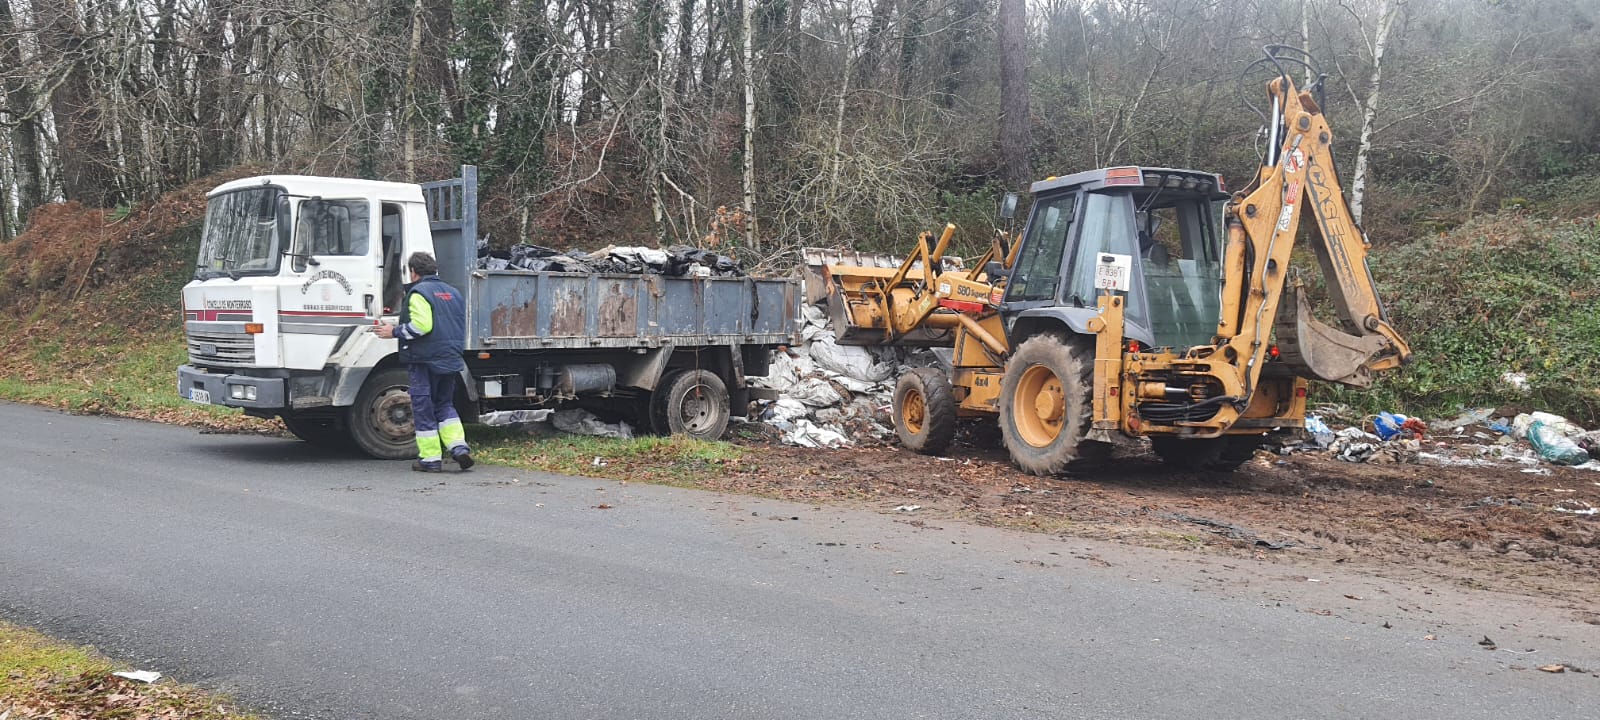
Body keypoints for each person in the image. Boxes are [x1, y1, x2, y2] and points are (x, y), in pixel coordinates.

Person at [376, 252, 474, 472]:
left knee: (423, 408)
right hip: (450, 358)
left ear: (413, 272)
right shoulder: (453, 293)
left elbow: (422, 326)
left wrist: (394, 331)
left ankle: (430, 460)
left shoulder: (419, 292)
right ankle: (459, 448)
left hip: (424, 360)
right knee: (445, 405)